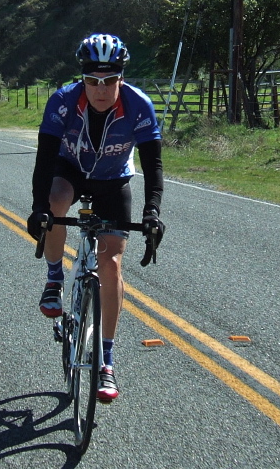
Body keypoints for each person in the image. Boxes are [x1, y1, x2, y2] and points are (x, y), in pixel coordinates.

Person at [27, 33, 165, 403]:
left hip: (114, 179)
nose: (100, 89)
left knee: (112, 264)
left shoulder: (139, 106)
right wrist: (39, 207)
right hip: (70, 168)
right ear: (82, 79)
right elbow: (44, 160)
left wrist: (152, 212)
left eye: (109, 81)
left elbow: (153, 166)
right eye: (92, 81)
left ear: (122, 77)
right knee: (56, 204)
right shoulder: (62, 102)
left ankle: (106, 360)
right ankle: (55, 277)